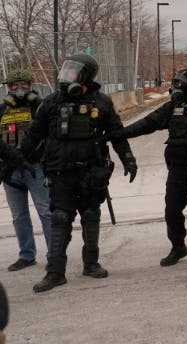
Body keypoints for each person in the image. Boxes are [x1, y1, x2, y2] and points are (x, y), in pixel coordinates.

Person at [19, 54, 137, 293]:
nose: (67, 75)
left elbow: (117, 134)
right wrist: (18, 159)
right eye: (67, 69)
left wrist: (128, 158)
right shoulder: (51, 102)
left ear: (85, 76)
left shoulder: (101, 102)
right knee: (60, 218)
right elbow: (33, 134)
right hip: (60, 172)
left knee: (91, 215)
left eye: (74, 71)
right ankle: (55, 272)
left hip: (91, 171)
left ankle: (91, 263)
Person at [112, 68, 187, 268]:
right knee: (171, 211)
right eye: (174, 84)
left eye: (180, 84)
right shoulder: (172, 107)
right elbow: (147, 123)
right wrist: (121, 134)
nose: (175, 88)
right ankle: (178, 246)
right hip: (178, 169)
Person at [1, 68, 51, 271]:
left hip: (35, 167)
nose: (19, 89)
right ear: (8, 88)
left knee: (46, 211)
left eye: (24, 84)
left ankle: (54, 254)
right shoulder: (2, 110)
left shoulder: (41, 108)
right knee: (18, 215)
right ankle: (27, 254)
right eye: (14, 85)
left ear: (32, 86)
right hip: (9, 170)